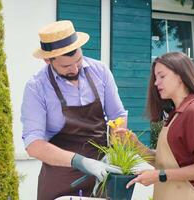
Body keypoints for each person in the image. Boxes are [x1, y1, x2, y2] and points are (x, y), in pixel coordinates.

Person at [21, 20, 127, 200]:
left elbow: (117, 116)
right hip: (61, 179)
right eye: (66, 66)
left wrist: (115, 153)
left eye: (78, 60)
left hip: (102, 176)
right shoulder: (36, 87)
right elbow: (34, 144)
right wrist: (81, 162)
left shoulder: (100, 71)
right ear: (48, 60)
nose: (75, 68)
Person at [124, 52, 194, 199]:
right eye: (155, 77)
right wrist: (134, 144)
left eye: (162, 76)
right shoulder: (175, 115)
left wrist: (159, 176)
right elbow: (166, 164)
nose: (155, 83)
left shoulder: (193, 112)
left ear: (180, 76)